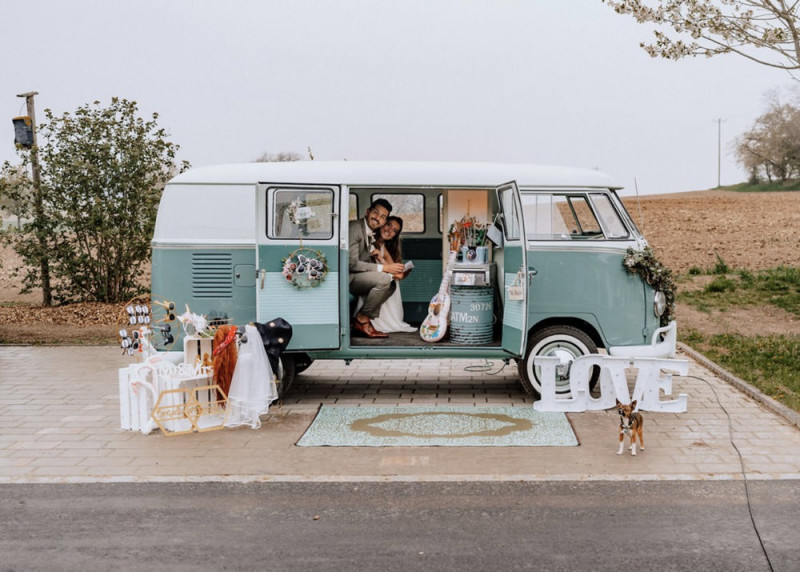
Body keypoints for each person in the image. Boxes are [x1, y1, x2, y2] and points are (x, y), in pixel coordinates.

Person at [349, 199, 405, 338]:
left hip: (359, 275)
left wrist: (378, 258)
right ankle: (362, 319)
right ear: (368, 211)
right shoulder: (355, 228)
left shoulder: (371, 232)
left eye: (382, 217)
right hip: (348, 276)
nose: (378, 218)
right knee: (384, 279)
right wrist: (385, 267)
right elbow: (352, 264)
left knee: (391, 285)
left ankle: (362, 317)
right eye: (376, 213)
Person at [371, 216, 416, 333]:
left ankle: (389, 319)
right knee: (390, 281)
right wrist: (383, 261)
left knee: (393, 280)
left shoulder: (383, 247)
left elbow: (398, 275)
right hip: (372, 282)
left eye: (395, 231)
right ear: (382, 224)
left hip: (381, 280)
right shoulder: (369, 242)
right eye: (388, 225)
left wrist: (406, 271)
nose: (390, 231)